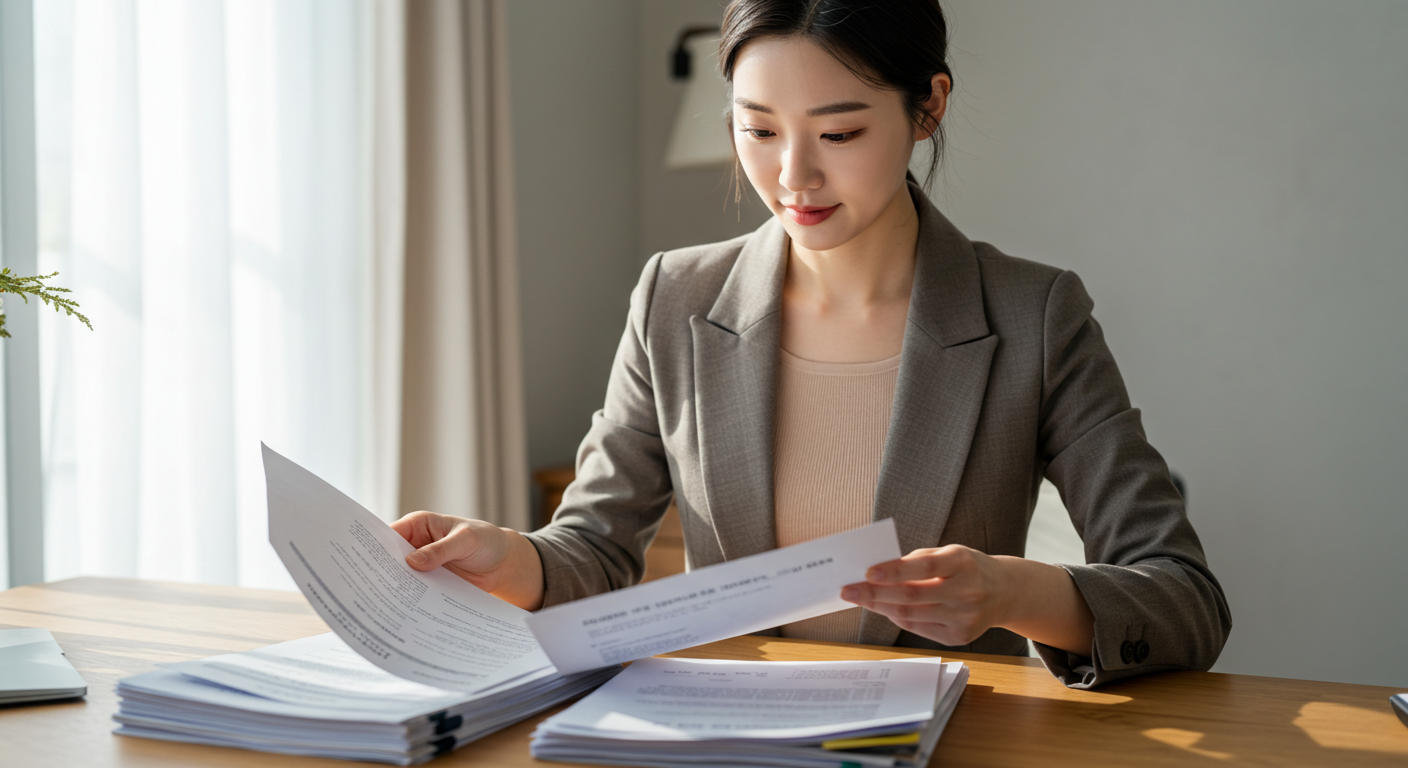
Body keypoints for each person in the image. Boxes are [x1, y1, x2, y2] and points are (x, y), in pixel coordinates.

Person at [391, 0, 1231, 689]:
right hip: (726, 736)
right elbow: (597, 551)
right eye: (758, 131)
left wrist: (1012, 590)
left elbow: (1186, 600)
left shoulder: (1034, 314)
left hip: (950, 742)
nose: (793, 175)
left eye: (838, 134)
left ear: (929, 106)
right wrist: (509, 558)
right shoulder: (674, 299)